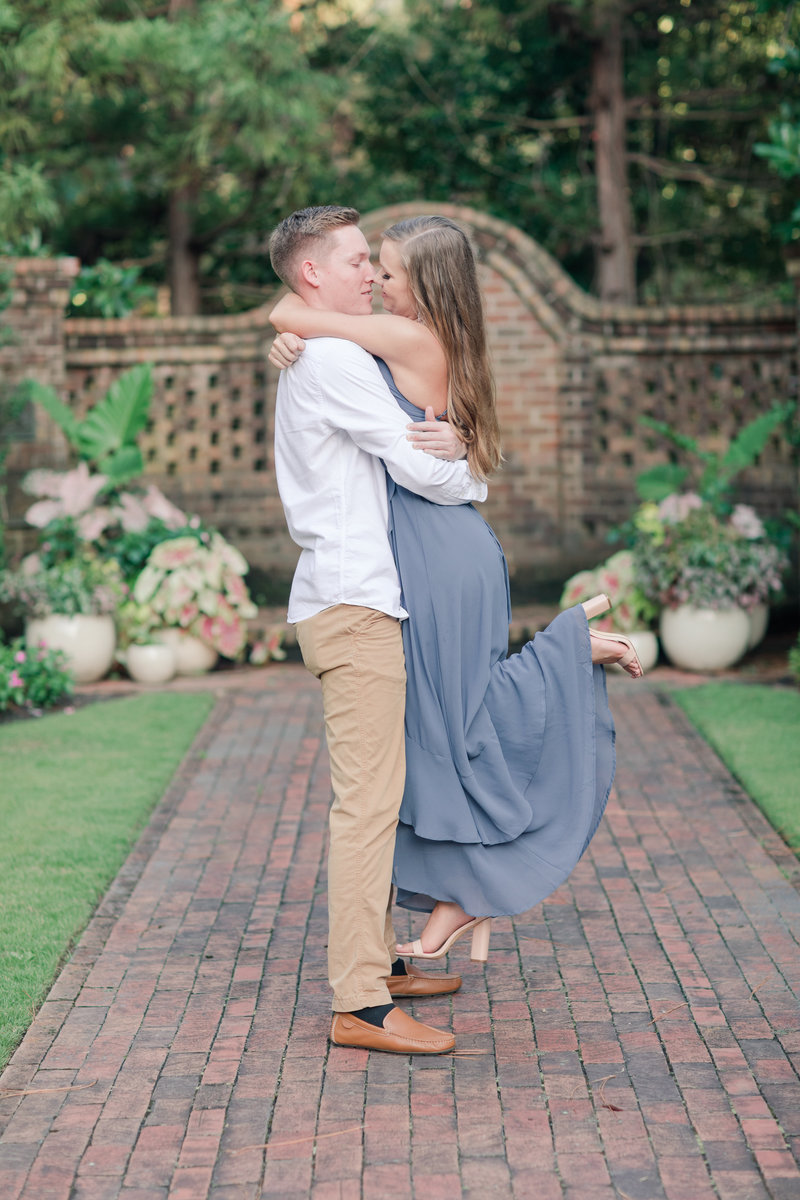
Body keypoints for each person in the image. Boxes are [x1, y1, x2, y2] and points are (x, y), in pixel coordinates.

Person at [269, 213, 642, 972]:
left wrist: (289, 329)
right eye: (366, 263)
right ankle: (570, 656)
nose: (376, 277)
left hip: (433, 553)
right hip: (436, 553)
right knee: (447, 721)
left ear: (426, 285)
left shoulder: (395, 341)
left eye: (390, 269)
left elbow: (290, 314)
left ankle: (568, 653)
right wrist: (294, 342)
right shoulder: (387, 345)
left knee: (449, 723)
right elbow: (307, 331)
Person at [268, 205, 490, 1057]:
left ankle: (381, 970)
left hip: (358, 601)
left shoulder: (329, 349)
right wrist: (467, 467)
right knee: (364, 808)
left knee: (383, 797)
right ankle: (360, 1005)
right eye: (359, 261)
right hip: (354, 606)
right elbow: (423, 472)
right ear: (313, 275)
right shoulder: (333, 359)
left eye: (375, 262)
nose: (373, 275)